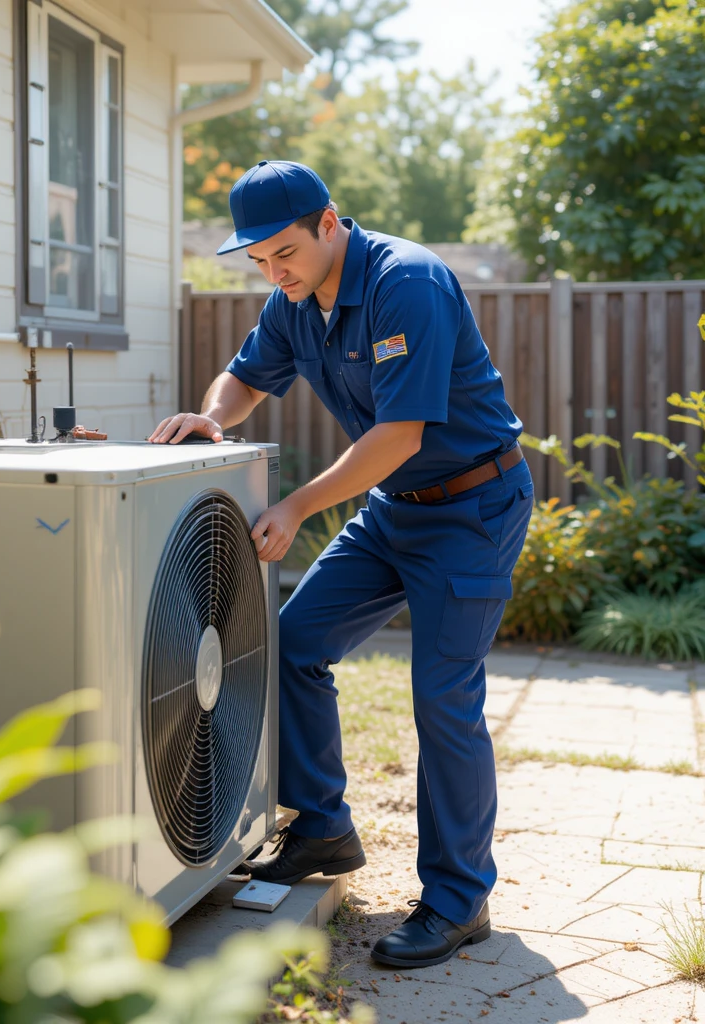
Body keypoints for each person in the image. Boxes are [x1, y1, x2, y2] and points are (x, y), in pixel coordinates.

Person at [150, 161, 534, 969]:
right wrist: (210, 419)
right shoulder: (295, 297)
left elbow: (401, 434)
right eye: (257, 260)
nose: (272, 271)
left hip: (472, 508)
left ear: (330, 223)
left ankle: (460, 900)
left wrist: (293, 508)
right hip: (397, 508)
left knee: (443, 696)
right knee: (292, 643)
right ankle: (324, 827)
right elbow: (246, 376)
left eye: (282, 251)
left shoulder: (408, 285)